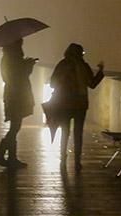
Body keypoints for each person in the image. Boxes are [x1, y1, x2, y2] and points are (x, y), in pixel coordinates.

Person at [50, 43, 104, 171]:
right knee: (78, 133)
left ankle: (63, 158)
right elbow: (92, 84)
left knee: (65, 131)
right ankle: (77, 161)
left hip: (64, 103)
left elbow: (52, 83)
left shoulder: (62, 65)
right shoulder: (83, 66)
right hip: (80, 104)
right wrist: (100, 71)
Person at [0, 38, 36, 169]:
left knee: (15, 126)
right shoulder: (12, 59)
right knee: (15, 127)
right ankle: (1, 154)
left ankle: (11, 157)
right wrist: (28, 65)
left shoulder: (7, 58)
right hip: (17, 95)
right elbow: (19, 75)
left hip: (12, 94)